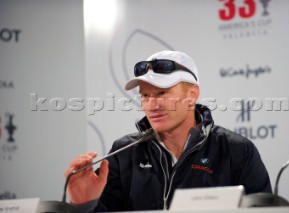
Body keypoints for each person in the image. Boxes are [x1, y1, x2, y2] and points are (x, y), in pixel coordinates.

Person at [65, 50, 272, 212]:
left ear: (192, 94)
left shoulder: (236, 151)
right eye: (145, 96)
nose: (152, 105)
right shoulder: (123, 152)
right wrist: (86, 205)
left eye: (162, 93)